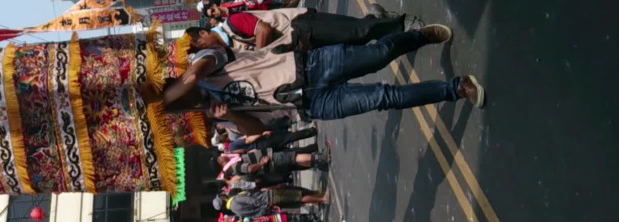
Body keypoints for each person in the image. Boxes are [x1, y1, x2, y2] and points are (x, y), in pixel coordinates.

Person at [164, 25, 484, 135]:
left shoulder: (204, 65)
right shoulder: (213, 113)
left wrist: (160, 101)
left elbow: (192, 76)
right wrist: (232, 116)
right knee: (386, 97)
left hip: (312, 66)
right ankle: (456, 88)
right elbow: (257, 129)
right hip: (312, 104)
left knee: (379, 54)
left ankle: (418, 36)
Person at [206, 7, 419, 52]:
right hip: (301, 44)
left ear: (203, 33)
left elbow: (264, 30)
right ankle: (375, 18)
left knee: (356, 32)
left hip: (301, 25)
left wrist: (260, 56)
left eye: (198, 45)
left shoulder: (233, 22)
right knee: (355, 40)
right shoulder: (231, 49)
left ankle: (402, 24)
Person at [214, 187, 329, 219]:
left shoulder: (236, 212)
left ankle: (318, 198)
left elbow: (254, 215)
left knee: (297, 200)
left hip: (269, 207)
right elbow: (252, 200)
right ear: (223, 198)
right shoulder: (235, 199)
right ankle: (323, 199)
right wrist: (265, 205)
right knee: (297, 197)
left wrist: (266, 210)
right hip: (268, 198)